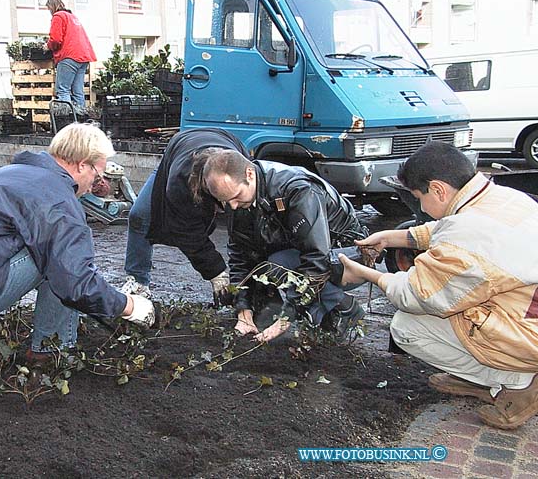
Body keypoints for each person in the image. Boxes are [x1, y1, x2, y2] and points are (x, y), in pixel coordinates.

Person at [0, 124, 155, 379]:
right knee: (57, 262)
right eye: (98, 175)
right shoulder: (56, 198)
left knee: (22, 254)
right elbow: (76, 282)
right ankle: (50, 352)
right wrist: (129, 306)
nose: (96, 184)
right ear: (82, 165)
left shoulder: (11, 174)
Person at [339, 142, 538, 430]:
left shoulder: (467, 236)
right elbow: (451, 229)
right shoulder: (502, 199)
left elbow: (416, 294)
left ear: (438, 190)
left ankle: (516, 383)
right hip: (524, 308)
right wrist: (392, 237)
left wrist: (367, 275)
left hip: (526, 332)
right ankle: (488, 374)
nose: (420, 206)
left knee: (407, 327)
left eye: (419, 197)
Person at [202, 150, 367, 342]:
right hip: (300, 253)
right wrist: (243, 309)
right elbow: (240, 254)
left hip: (348, 256)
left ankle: (343, 307)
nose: (233, 206)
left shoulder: (298, 191)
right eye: (225, 201)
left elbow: (316, 258)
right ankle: (320, 314)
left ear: (249, 174)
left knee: (277, 264)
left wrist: (287, 316)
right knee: (266, 265)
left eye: (236, 196)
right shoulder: (236, 201)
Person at [120, 128, 249, 305]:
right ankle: (138, 282)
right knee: (139, 215)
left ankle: (247, 293)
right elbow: (187, 233)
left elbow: (247, 234)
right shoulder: (178, 181)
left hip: (226, 141)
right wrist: (216, 272)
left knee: (244, 225)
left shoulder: (244, 171)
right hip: (177, 152)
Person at [45, 0, 96, 113]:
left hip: (69, 57)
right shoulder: (72, 17)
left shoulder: (58, 16)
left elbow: (56, 39)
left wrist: (47, 46)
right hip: (83, 56)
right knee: (78, 92)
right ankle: (80, 122)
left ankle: (66, 122)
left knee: (63, 90)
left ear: (52, 7)